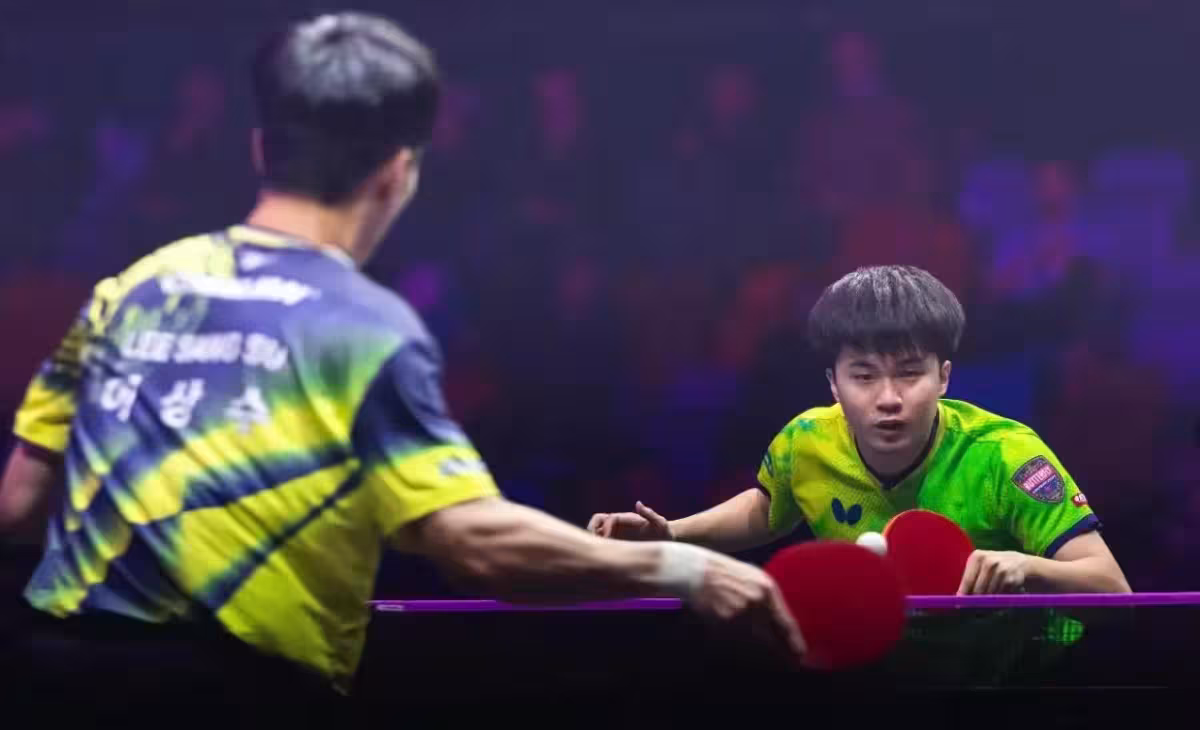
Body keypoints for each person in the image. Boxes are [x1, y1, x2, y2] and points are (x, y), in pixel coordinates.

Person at [0, 12, 805, 716]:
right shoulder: (361, 327)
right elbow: (474, 543)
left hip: (48, 681)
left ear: (261, 148)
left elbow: (19, 507)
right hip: (231, 694)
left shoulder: (131, 292)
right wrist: (685, 568)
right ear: (398, 172)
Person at [589, 265, 1131, 597]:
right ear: (833, 383)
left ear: (944, 376)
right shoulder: (806, 440)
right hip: (878, 673)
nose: (888, 397)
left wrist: (1027, 567)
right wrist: (672, 533)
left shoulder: (1005, 456)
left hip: (1011, 681)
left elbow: (1111, 586)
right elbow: (770, 506)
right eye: (864, 376)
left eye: (910, 373)